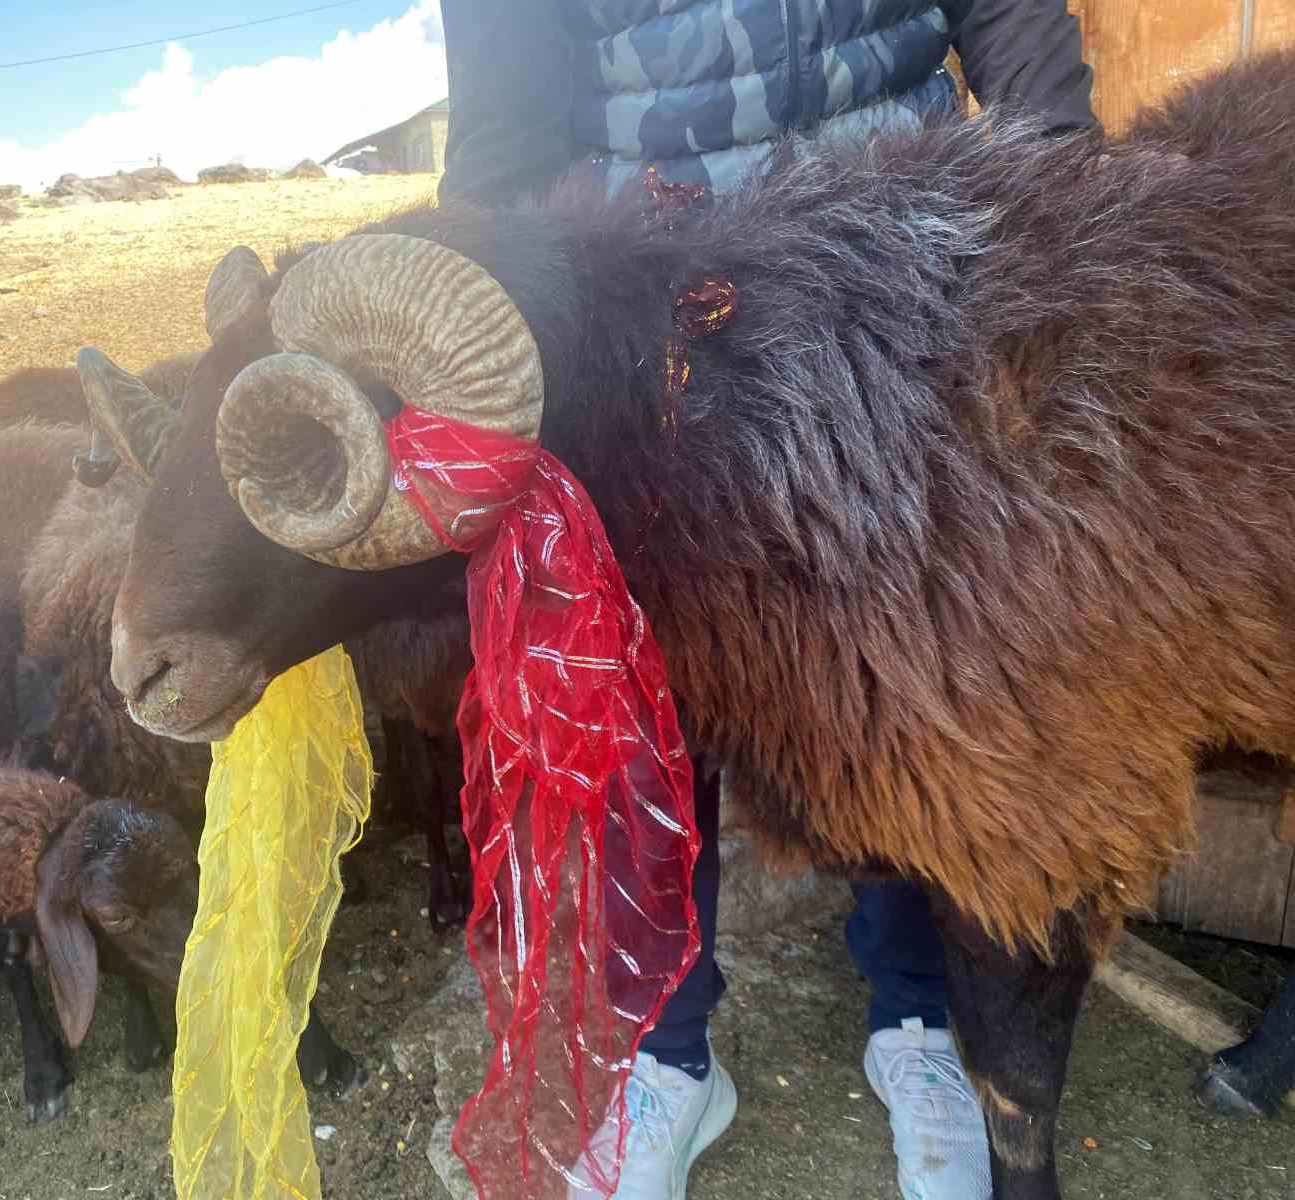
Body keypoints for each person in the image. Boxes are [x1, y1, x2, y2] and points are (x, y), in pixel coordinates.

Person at [436, 4, 1096, 1199]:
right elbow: (501, 123)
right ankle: (666, 1052)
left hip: (905, 274)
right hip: (652, 301)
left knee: (906, 670)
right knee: (647, 683)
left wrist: (1057, 191)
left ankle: (920, 1025)